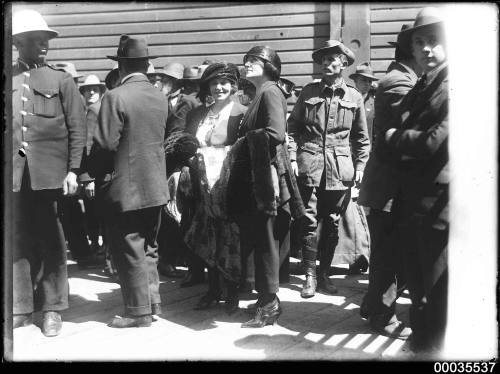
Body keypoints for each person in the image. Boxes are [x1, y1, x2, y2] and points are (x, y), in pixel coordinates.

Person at [12, 9, 86, 336]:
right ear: (18, 43)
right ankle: (22, 307)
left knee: (51, 240)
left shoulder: (61, 80)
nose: (42, 46)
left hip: (49, 174)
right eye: (34, 41)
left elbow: (77, 129)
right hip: (14, 175)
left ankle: (53, 308)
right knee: (17, 239)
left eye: (45, 41)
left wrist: (74, 171)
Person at [88, 35, 169, 328]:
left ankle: (138, 313)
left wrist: (92, 172)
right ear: (146, 64)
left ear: (121, 66)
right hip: (156, 186)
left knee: (129, 247)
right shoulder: (159, 96)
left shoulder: (115, 96)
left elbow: (106, 144)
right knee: (149, 247)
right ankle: (153, 304)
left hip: (125, 188)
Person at [380, 7, 449, 353]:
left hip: (437, 204)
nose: (426, 49)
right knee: (419, 284)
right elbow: (391, 134)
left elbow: (435, 141)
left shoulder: (453, 85)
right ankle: (422, 345)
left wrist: (396, 137)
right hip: (412, 200)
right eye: (420, 42)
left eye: (434, 41)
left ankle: (436, 351)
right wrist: (397, 137)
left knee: (436, 288)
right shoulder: (421, 85)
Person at [227, 46, 305, 328]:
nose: (247, 64)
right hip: (257, 175)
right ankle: (265, 299)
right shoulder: (261, 92)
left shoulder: (270, 91)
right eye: (245, 60)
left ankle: (270, 304)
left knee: (268, 240)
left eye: (254, 61)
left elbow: (276, 134)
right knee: (262, 239)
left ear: (269, 65)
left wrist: (241, 144)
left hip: (267, 179)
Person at [287, 40, 370, 299]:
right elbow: (292, 128)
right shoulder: (308, 91)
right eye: (323, 59)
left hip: (340, 167)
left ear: (344, 63)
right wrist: (292, 156)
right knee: (309, 220)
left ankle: (323, 274)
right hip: (310, 164)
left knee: (333, 222)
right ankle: (310, 275)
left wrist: (360, 165)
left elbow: (361, 138)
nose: (326, 63)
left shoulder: (354, 97)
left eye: (332, 59)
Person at [357, 24, 421, 340]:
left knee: (390, 252)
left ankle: (373, 306)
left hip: (390, 188)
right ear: (412, 50)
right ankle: (383, 316)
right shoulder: (399, 83)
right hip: (389, 189)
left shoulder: (405, 79)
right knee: (390, 255)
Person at [176, 62, 247, 314]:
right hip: (201, 184)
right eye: (215, 83)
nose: (219, 88)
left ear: (233, 86)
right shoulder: (199, 114)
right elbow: (186, 141)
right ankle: (212, 289)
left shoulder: (241, 112)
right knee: (207, 235)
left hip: (227, 186)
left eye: (224, 83)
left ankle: (232, 292)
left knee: (230, 238)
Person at [160, 62, 203, 279]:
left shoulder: (187, 102)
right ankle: (170, 258)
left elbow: (179, 134)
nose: (163, 83)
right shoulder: (169, 101)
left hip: (178, 162)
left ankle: (171, 258)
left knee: (176, 212)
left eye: (167, 80)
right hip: (169, 161)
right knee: (171, 212)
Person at [349, 63, 378, 144]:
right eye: (364, 80)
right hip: (349, 149)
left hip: (369, 149)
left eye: (370, 81)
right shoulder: (348, 100)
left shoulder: (374, 102)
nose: (367, 83)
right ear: (355, 81)